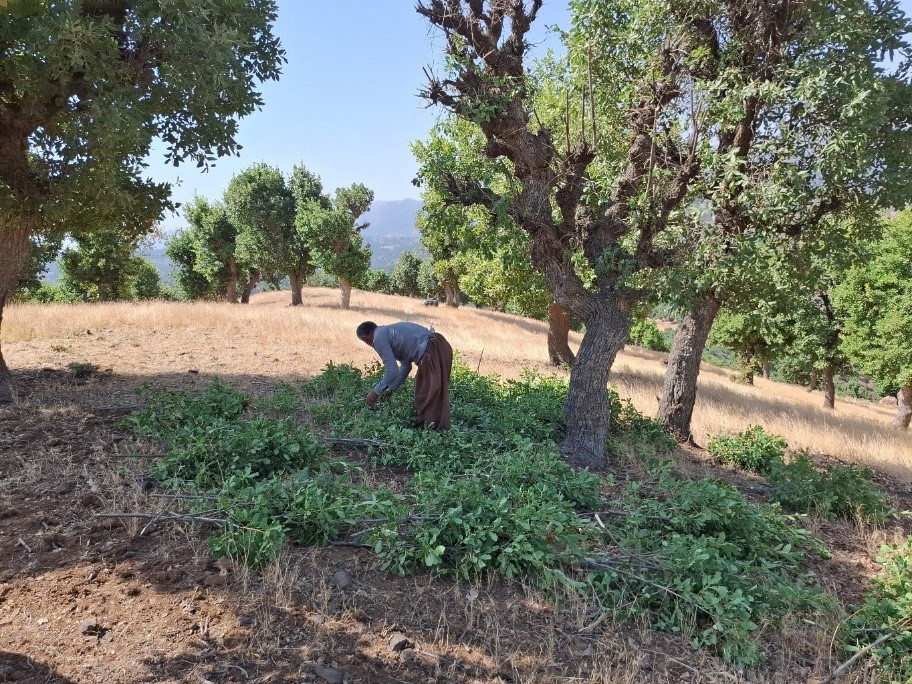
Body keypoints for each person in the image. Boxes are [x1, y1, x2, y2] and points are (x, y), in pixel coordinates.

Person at [356, 320, 453, 430]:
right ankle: (434, 428)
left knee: (427, 395)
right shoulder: (389, 333)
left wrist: (375, 392)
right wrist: (391, 389)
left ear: (366, 338)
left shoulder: (378, 338)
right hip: (441, 346)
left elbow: (392, 372)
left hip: (432, 351)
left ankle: (432, 430)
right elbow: (405, 367)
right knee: (435, 393)